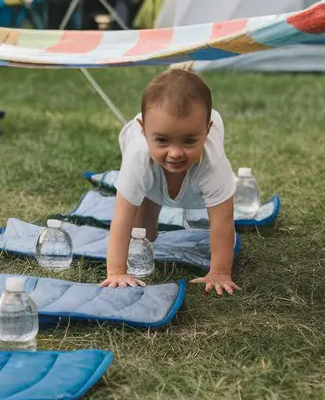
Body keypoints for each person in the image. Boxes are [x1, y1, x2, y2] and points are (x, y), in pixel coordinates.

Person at [101, 68, 239, 296]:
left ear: (206, 132)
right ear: (144, 131)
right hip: (148, 167)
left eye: (189, 141)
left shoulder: (213, 163)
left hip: (194, 157)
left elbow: (223, 220)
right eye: (163, 141)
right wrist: (116, 271)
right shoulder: (138, 155)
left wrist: (220, 271)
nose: (175, 153)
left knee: (159, 184)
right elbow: (121, 218)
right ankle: (150, 204)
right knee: (142, 231)